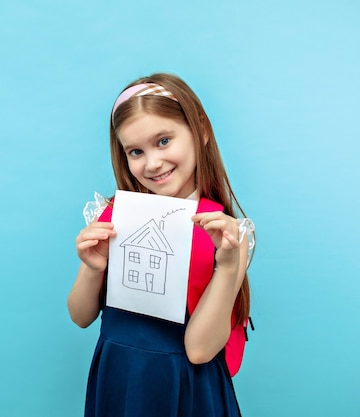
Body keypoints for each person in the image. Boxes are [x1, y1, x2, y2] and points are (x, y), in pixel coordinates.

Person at [67, 73, 254, 417]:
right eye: (135, 151)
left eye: (164, 141)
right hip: (119, 377)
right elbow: (80, 316)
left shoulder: (228, 236)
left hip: (185, 387)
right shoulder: (115, 216)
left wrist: (228, 267)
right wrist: (93, 269)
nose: (151, 163)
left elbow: (199, 351)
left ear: (201, 131)